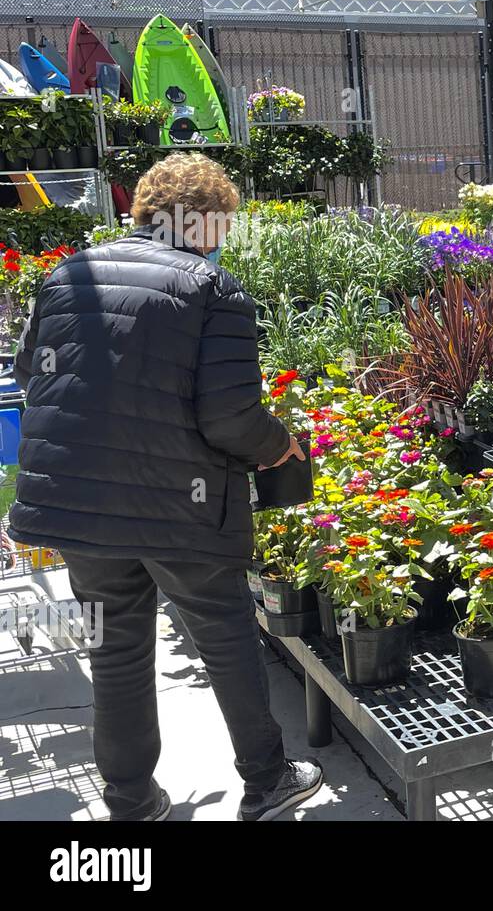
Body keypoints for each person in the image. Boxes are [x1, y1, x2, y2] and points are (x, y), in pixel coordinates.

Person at [8, 153, 322, 821]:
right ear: (201, 222)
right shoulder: (212, 288)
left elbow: (34, 378)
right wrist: (280, 447)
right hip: (182, 504)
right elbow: (229, 415)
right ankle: (268, 780)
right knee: (225, 635)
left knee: (115, 650)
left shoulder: (67, 274)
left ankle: (131, 802)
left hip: (79, 505)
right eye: (223, 225)